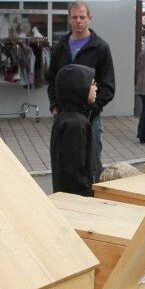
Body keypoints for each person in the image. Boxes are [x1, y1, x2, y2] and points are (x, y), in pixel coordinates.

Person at [46, 2, 115, 172]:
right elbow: (52, 80)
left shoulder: (100, 47)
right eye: (74, 17)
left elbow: (108, 86)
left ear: (89, 19)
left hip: (90, 118)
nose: (78, 21)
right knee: (64, 163)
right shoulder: (60, 46)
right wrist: (55, 106)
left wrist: (93, 109)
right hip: (63, 116)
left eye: (82, 17)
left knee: (91, 166)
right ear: (69, 19)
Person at [50, 64, 100, 196]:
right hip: (77, 200)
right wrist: (88, 196)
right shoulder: (75, 124)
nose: (96, 88)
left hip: (68, 196)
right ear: (78, 88)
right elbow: (75, 169)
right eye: (92, 84)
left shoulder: (67, 118)